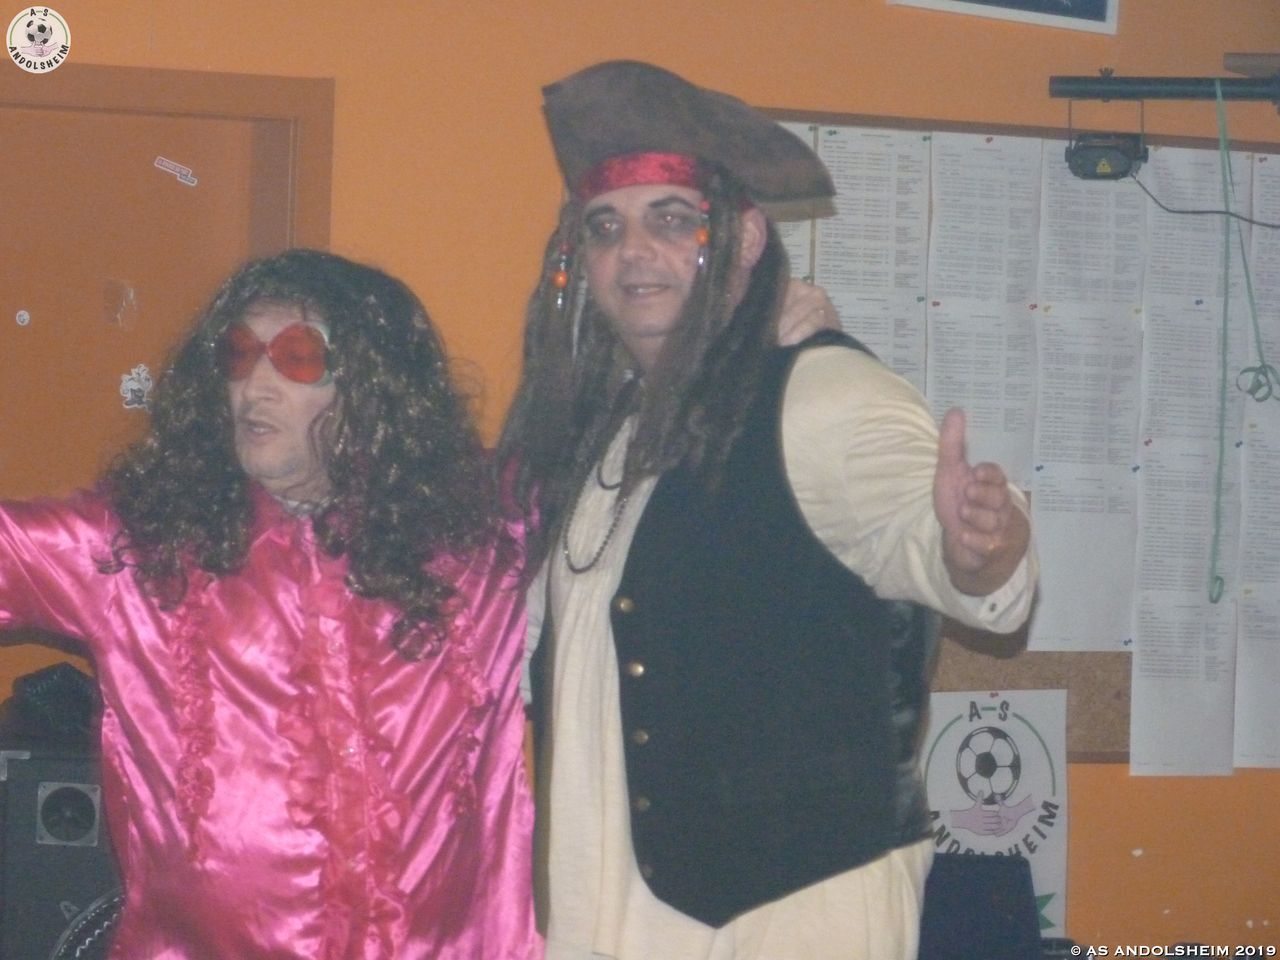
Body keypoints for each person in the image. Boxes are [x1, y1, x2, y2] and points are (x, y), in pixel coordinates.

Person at [497, 61, 1038, 960]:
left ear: (746, 238)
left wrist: (984, 545)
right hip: (610, 910)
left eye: (672, 218)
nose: (634, 251)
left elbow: (942, 540)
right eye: (606, 227)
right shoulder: (592, 434)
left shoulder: (823, 393)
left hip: (787, 914)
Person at [0, 250, 540, 958]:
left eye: (297, 357)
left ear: (373, 384)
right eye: (238, 355)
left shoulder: (483, 534)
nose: (254, 386)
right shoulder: (139, 548)